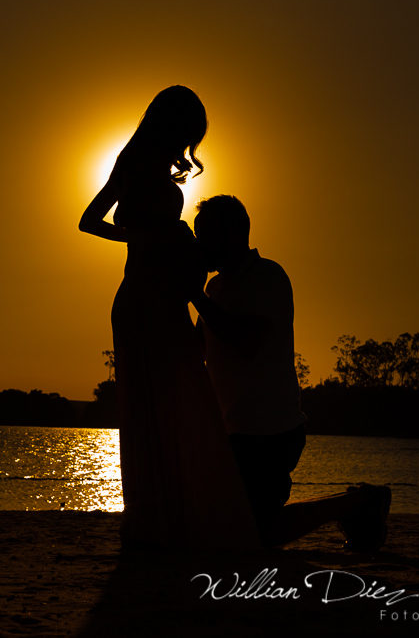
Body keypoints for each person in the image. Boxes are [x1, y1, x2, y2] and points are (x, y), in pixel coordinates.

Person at [79, 86, 260, 551]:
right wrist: (154, 238)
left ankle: (182, 510)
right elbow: (89, 221)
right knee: (151, 406)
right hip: (142, 297)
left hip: (168, 297)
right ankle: (158, 517)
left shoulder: (158, 162)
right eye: (189, 130)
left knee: (180, 399)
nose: (190, 142)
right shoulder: (134, 160)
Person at [191, 194, 391, 551]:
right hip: (232, 432)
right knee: (224, 527)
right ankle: (357, 503)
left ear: (235, 233)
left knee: (255, 533)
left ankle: (359, 502)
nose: (198, 245)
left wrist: (195, 296)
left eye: (204, 234)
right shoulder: (215, 287)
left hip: (270, 431)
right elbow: (198, 349)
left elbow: (246, 343)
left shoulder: (267, 277)